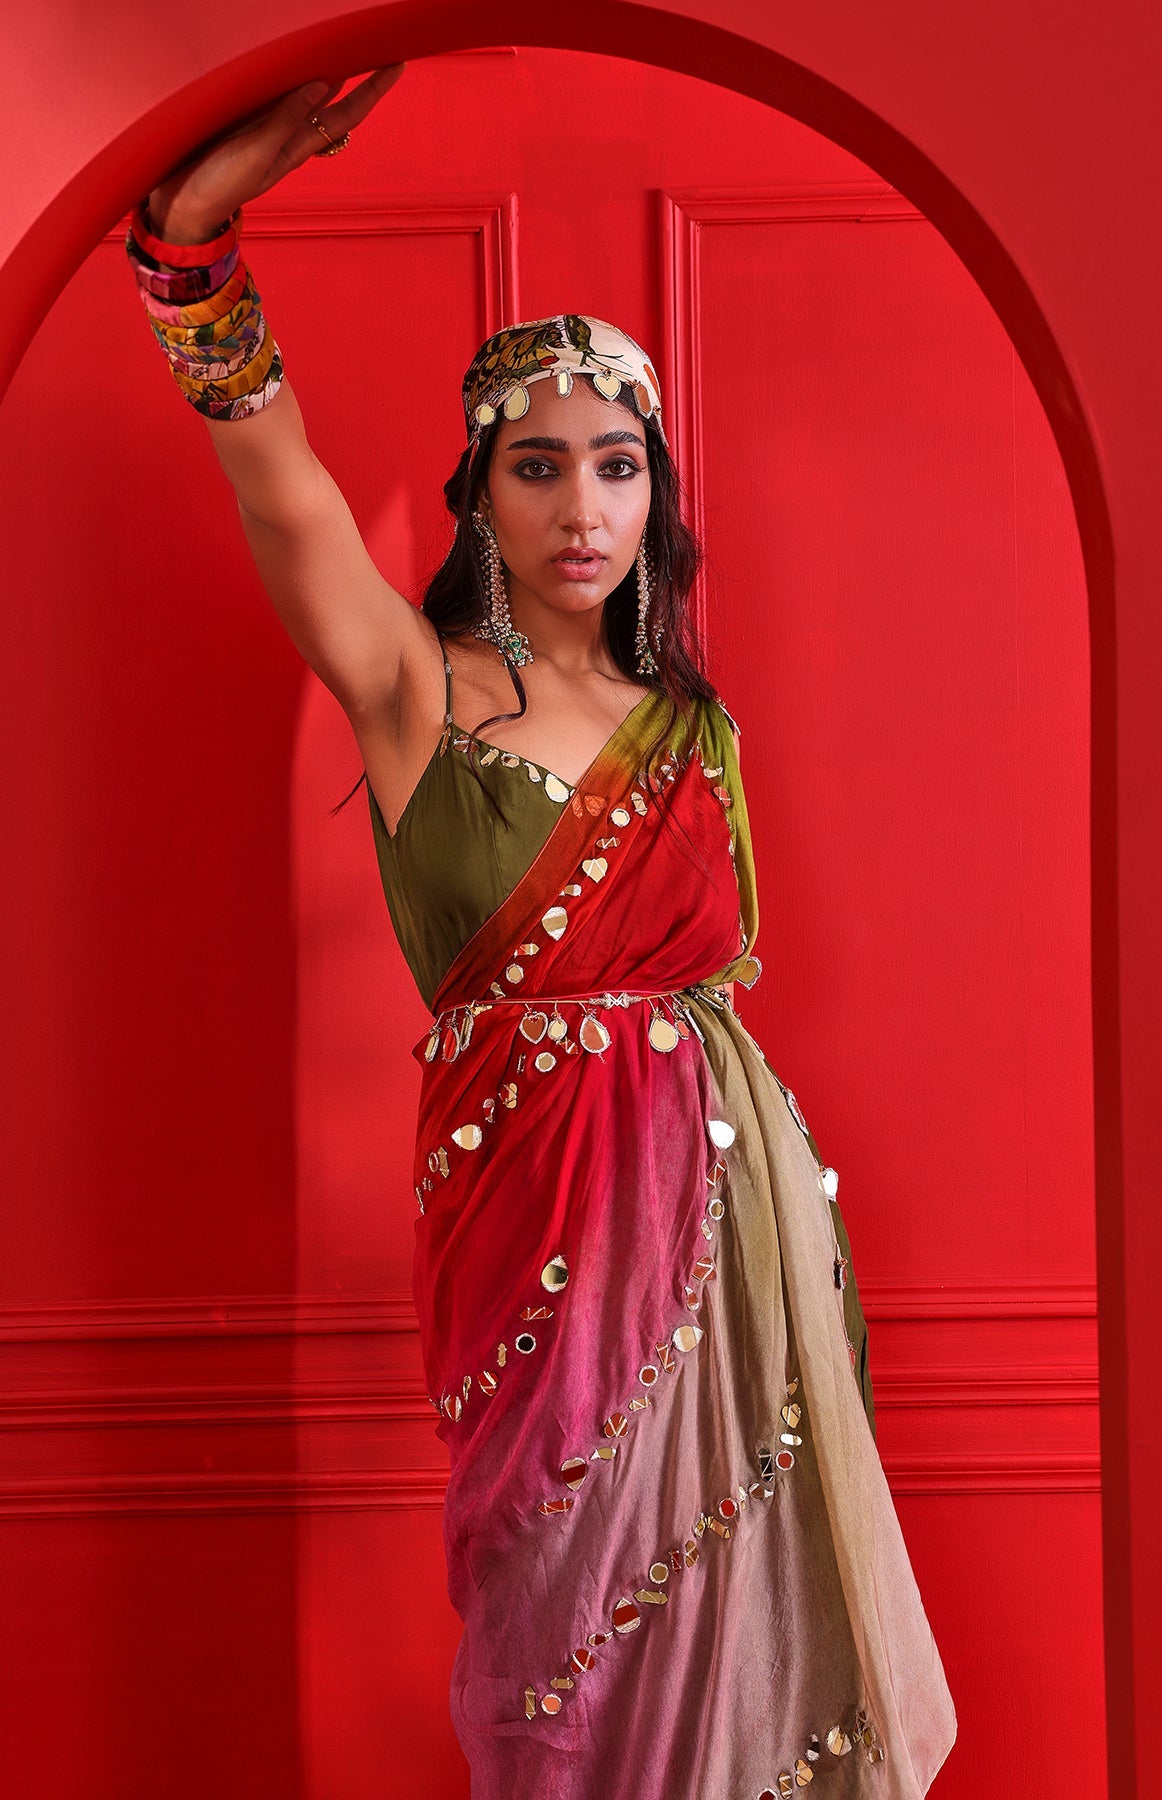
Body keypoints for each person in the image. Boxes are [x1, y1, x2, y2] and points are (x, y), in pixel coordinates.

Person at [126, 66, 957, 1798]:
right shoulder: (415, 688)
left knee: (742, 1613)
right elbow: (279, 489)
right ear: (480, 499)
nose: (583, 508)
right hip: (527, 1220)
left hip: (726, 1220)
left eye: (617, 467)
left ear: (655, 496)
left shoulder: (696, 730)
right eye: (538, 468)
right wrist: (191, 244)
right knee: (553, 1612)